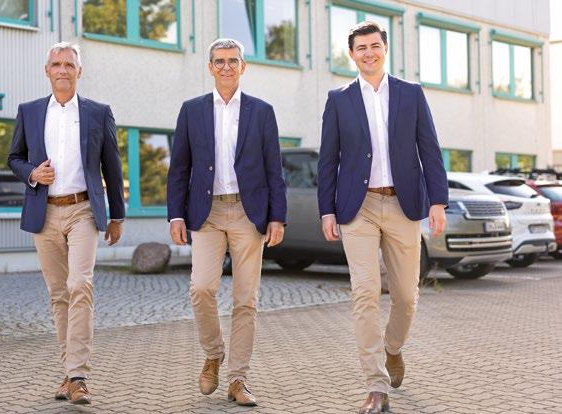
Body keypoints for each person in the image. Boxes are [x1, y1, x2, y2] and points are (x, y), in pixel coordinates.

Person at [317, 21, 448, 414]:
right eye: (361, 48)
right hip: (358, 208)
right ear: (351, 54)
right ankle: (375, 386)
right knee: (365, 292)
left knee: (406, 296)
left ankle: (392, 348)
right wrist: (327, 209)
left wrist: (437, 201)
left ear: (385, 49)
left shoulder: (411, 93)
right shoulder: (339, 99)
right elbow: (328, 159)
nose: (368, 53)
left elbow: (430, 149)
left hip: (403, 204)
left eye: (375, 46)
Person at [166, 38, 287, 406]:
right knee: (201, 288)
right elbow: (179, 167)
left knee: (245, 299)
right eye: (219, 61)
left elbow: (274, 168)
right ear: (210, 67)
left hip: (249, 214)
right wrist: (176, 213)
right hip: (207, 213)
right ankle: (213, 353)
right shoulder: (192, 110)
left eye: (233, 61)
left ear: (243, 66)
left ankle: (238, 379)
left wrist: (277, 217)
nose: (226, 67)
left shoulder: (261, 111)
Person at [7, 41, 125, 405]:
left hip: (83, 210)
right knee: (59, 294)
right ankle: (68, 371)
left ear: (79, 71)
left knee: (80, 285)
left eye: (69, 64)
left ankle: (78, 376)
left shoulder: (98, 113)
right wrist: (32, 173)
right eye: (56, 64)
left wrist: (117, 215)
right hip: (44, 212)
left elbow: (112, 165)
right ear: (47, 71)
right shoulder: (29, 111)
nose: (62, 70)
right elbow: (13, 157)